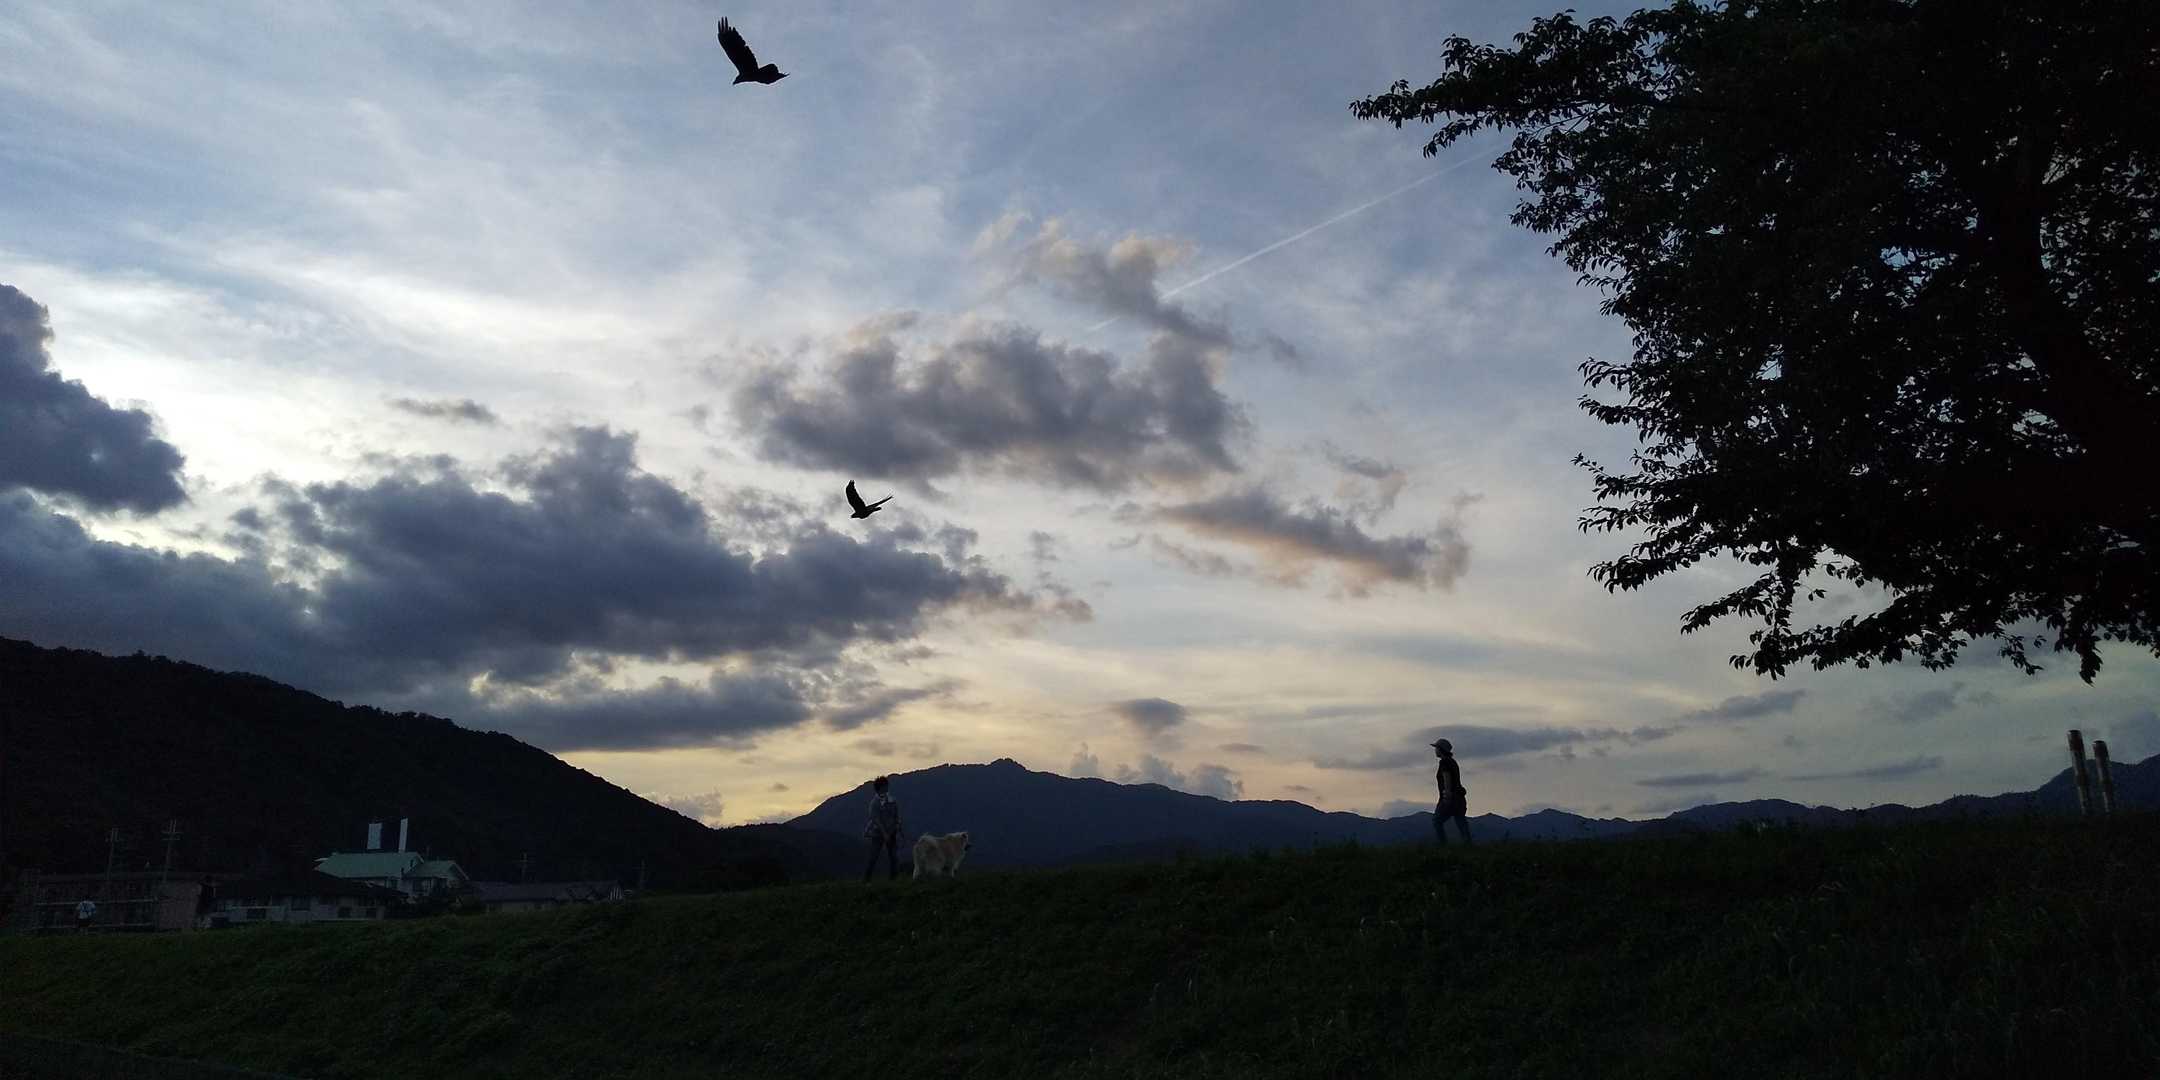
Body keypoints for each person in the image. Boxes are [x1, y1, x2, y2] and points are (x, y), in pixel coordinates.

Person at [862, 775, 904, 882]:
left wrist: (898, 826)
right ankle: (866, 880)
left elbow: (897, 816)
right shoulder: (874, 803)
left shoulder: (892, 801)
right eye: (885, 786)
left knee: (893, 857)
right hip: (878, 834)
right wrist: (884, 833)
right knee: (874, 857)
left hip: (891, 832)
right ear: (880, 788)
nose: (887, 788)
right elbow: (876, 819)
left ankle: (893, 879)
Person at [1432, 738, 1471, 845]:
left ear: (1441, 749)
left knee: (1437, 821)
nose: (1435, 750)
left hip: (1450, 797)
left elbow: (1447, 778)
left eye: (1436, 748)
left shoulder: (1444, 763)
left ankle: (1443, 846)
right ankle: (1468, 845)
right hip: (1459, 797)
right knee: (1461, 822)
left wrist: (1447, 795)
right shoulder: (1452, 762)